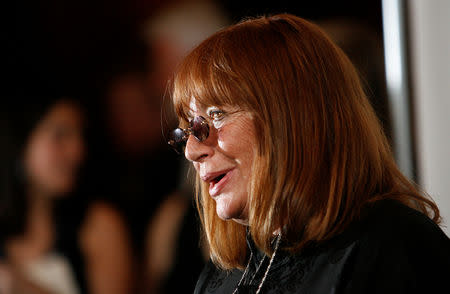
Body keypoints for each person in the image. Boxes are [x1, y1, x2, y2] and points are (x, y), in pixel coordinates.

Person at [167, 14, 450, 293]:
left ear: (292, 118)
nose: (192, 150)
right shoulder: (221, 277)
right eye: (190, 128)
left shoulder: (391, 248)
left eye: (216, 114)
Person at [0, 85, 133, 294]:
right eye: (60, 135)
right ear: (21, 143)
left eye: (79, 135)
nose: (77, 152)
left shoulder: (99, 225)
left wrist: (22, 287)